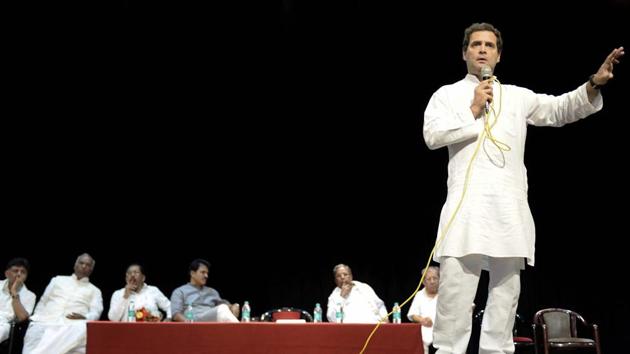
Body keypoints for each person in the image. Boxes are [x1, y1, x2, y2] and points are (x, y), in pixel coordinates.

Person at [422, 22, 623, 354]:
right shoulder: (446, 95)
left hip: (509, 212)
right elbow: (432, 136)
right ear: (464, 53)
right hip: (465, 212)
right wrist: (472, 110)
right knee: (455, 299)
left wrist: (593, 84)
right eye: (475, 44)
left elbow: (560, 109)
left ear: (499, 55)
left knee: (504, 299)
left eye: (489, 45)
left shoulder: (516, 96)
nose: (482, 49)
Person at [23, 253, 103, 354]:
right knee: (35, 332)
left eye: (87, 265)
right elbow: (43, 301)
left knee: (79, 330)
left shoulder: (95, 290)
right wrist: (36, 318)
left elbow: (96, 312)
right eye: (81, 263)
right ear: (75, 265)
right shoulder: (57, 280)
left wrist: (85, 317)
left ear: (91, 269)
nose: (83, 266)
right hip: (46, 320)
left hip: (72, 326)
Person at [170, 259, 240, 322]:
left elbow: (223, 304)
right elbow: (175, 314)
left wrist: (232, 306)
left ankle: (240, 332)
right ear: (192, 273)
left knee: (224, 309)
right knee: (222, 309)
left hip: (211, 321)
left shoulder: (212, 291)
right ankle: (242, 332)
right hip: (193, 320)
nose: (206, 276)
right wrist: (188, 323)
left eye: (207, 273)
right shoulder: (180, 291)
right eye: (203, 272)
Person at [1, 258, 37, 344]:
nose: (19, 274)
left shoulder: (30, 295)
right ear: (7, 273)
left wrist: (14, 292)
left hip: (4, 324)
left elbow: (22, 317)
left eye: (23, 272)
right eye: (15, 271)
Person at [407, 266, 439, 354]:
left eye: (435, 278)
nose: (432, 281)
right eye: (429, 279)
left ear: (439, 279)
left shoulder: (444, 293)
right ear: (424, 282)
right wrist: (422, 320)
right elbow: (412, 315)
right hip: (424, 336)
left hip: (442, 336)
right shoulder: (419, 295)